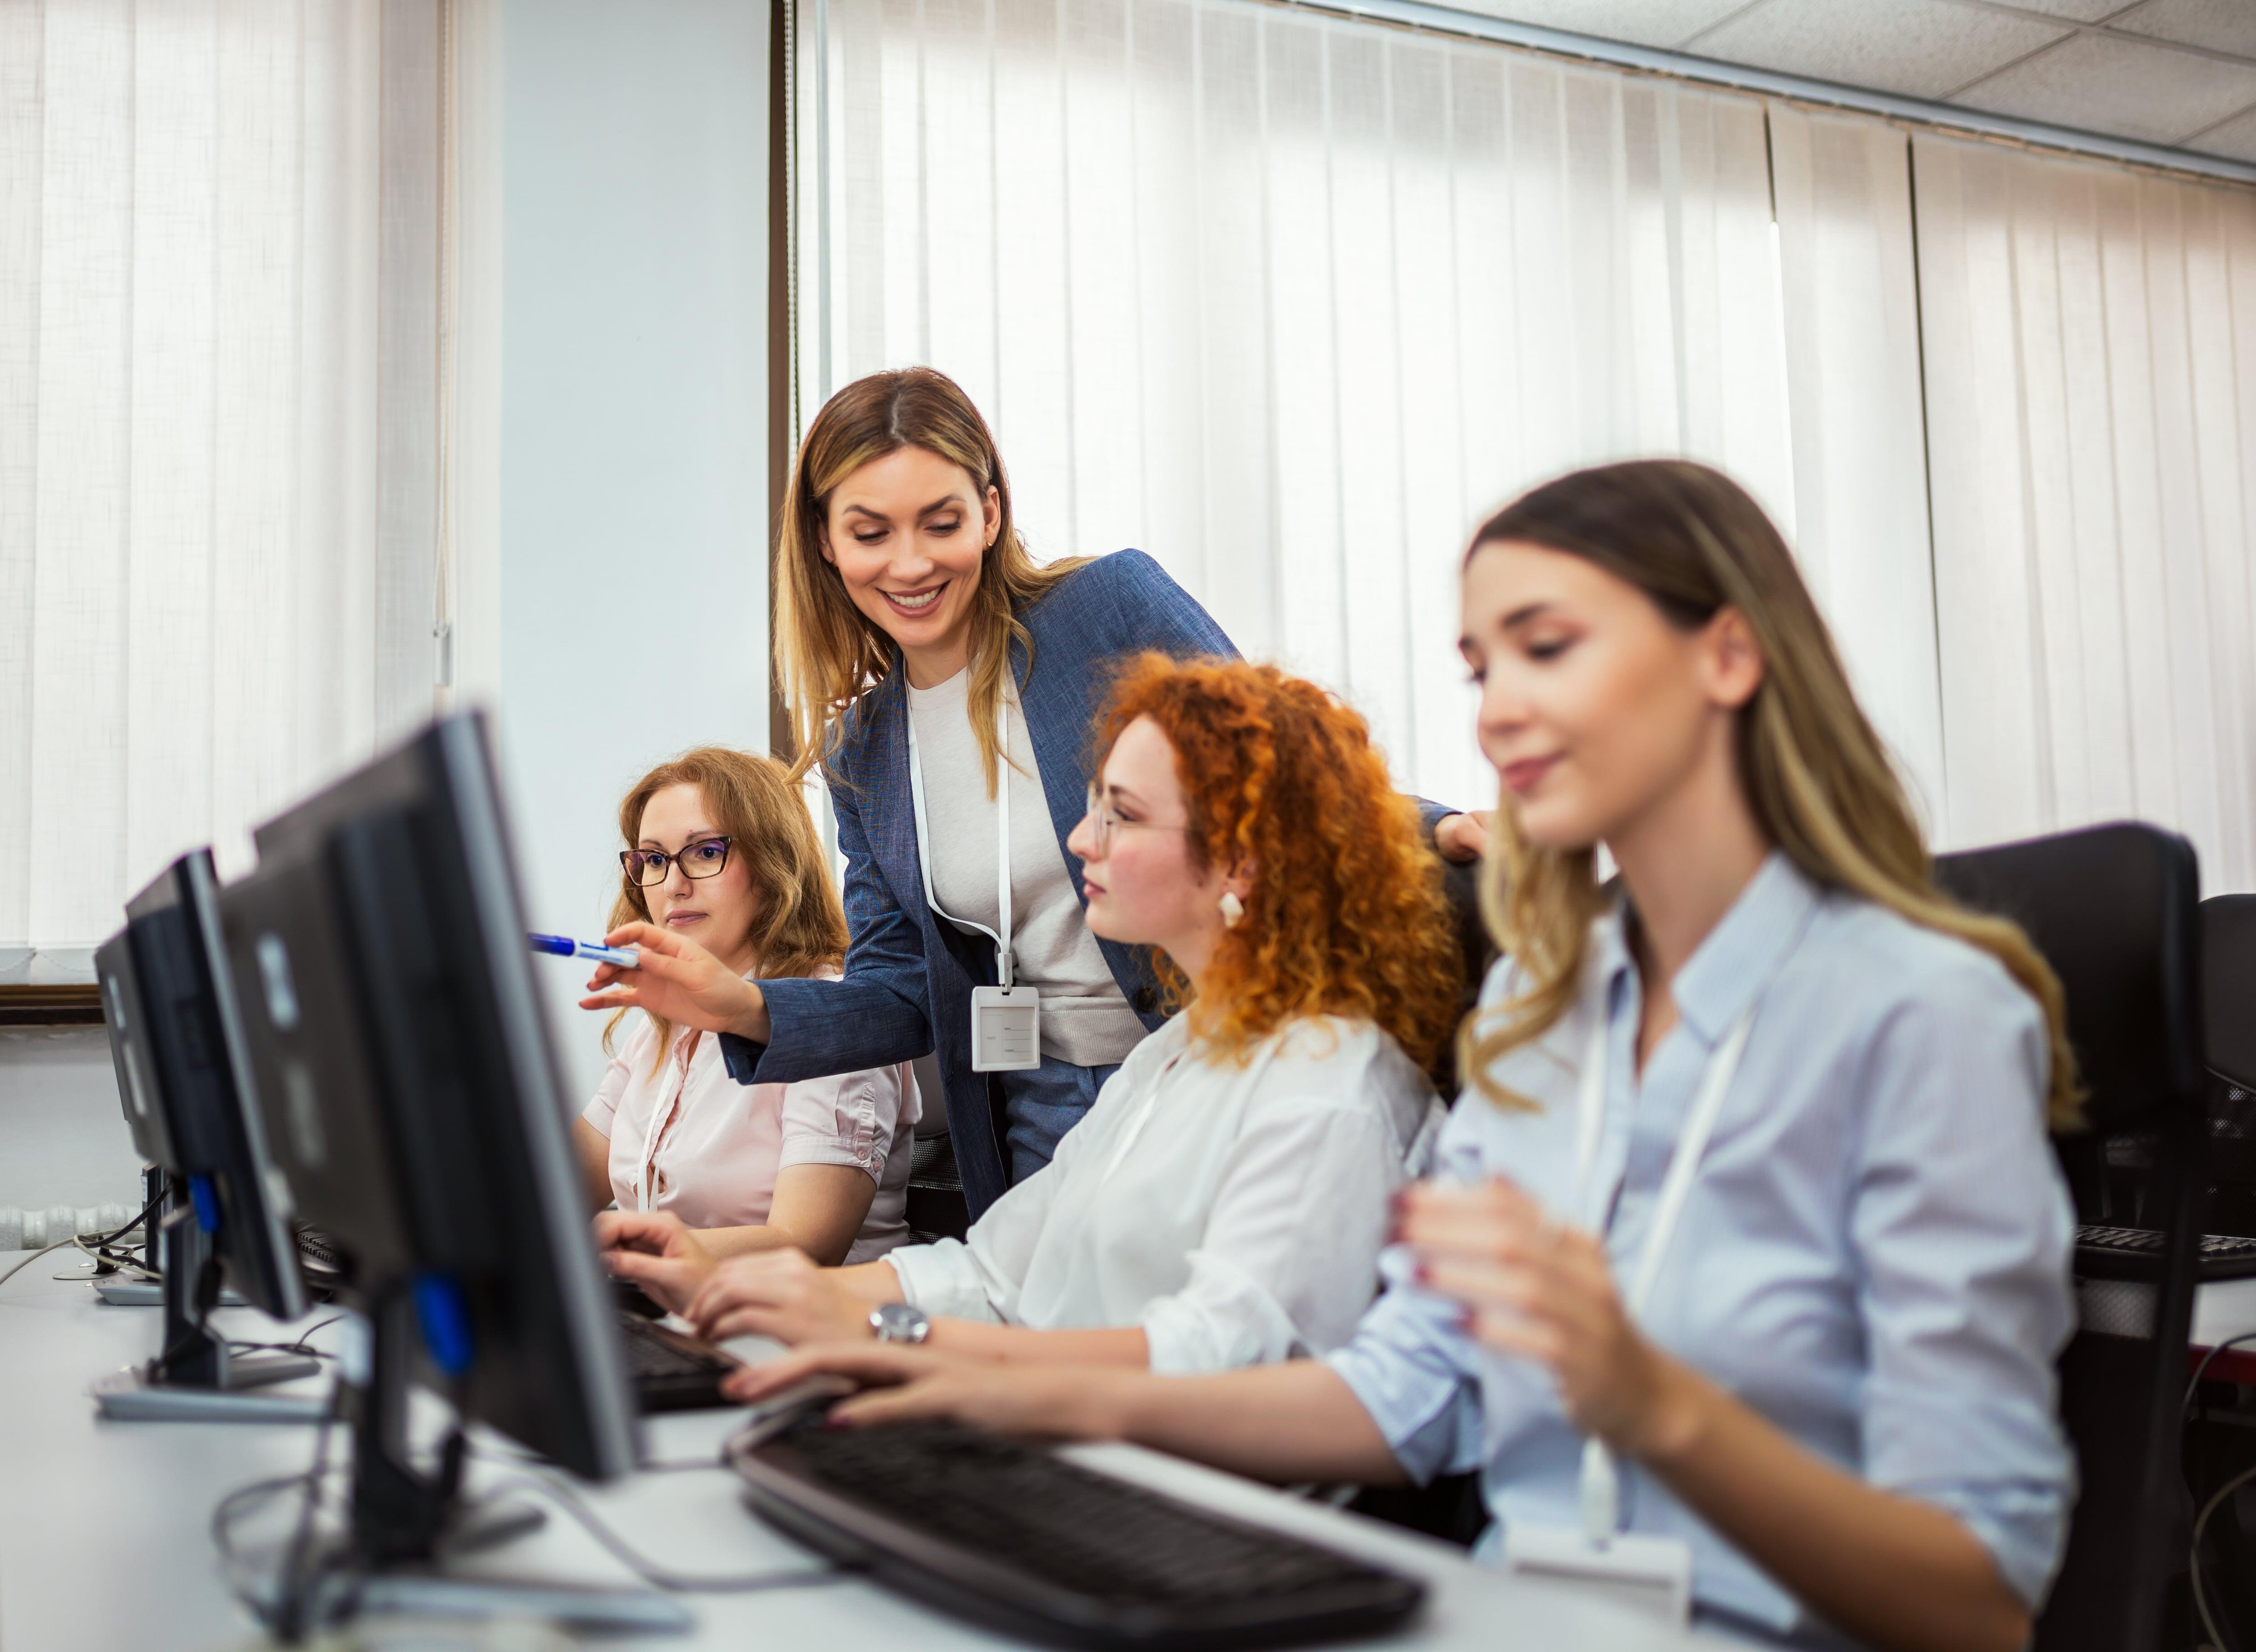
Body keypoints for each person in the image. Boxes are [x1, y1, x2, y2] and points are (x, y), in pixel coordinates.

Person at [730, 460, 2080, 1652]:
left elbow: (1977, 1600)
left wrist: (1654, 1405)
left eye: (1545, 647)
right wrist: (979, 1382)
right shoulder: (1540, 1031)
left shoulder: (1922, 1016)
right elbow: (1401, 1398)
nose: (1496, 714)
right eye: (1481, 669)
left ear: (1727, 656)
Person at [579, 367, 1478, 1218]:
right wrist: (739, 1005)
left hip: (1207, 1055)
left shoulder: (1103, 611)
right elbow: (901, 990)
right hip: (1035, 1103)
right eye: (870, 531)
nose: (909, 564)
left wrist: (1437, 830)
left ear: (990, 513)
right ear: (824, 540)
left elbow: (1276, 763)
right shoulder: (866, 751)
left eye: (941, 522)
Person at [600, 655, 1461, 1373]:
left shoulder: (1328, 1088)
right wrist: (754, 1287)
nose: (1079, 840)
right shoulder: (1168, 1062)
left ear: (1240, 860)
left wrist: (907, 1346)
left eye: (1120, 814)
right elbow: (991, 1270)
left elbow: (1221, 1353)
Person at [576, 747, 917, 1267]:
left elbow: (804, 1244)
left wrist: (609, 1243)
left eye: (706, 852)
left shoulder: (837, 1019)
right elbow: (562, 1183)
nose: (673, 885)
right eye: (653, 859)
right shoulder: (662, 1029)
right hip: (675, 1322)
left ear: (774, 864)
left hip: (802, 1333)